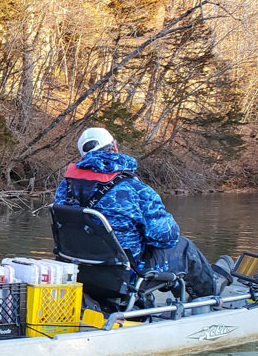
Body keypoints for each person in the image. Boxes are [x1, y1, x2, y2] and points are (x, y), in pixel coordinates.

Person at [54, 127, 225, 299]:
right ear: (114, 147)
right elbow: (168, 236)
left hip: (80, 270)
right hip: (126, 274)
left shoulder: (65, 187)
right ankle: (209, 298)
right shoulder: (134, 188)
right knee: (184, 248)